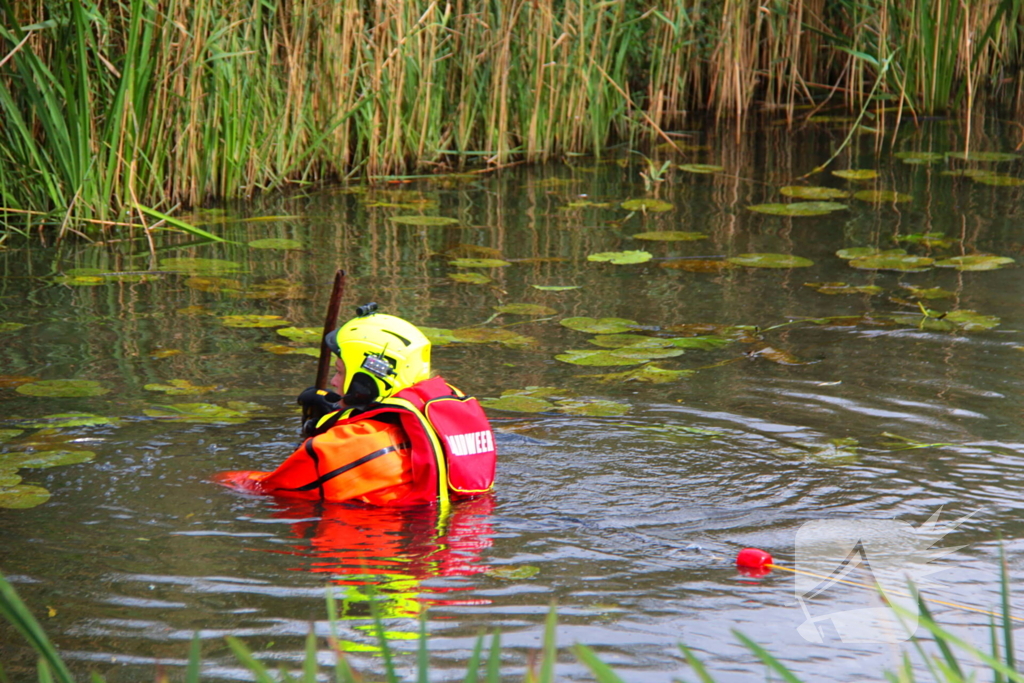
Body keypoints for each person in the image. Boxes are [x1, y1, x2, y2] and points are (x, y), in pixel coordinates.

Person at [216, 303, 497, 508]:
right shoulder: (451, 407)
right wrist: (340, 419)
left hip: (394, 540)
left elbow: (266, 489)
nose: (334, 383)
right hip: (461, 532)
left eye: (340, 372)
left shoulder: (345, 446)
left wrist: (214, 478)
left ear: (366, 380)